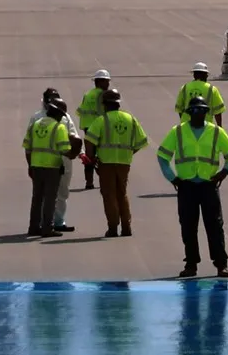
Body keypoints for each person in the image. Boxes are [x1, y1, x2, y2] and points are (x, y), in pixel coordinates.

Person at [157, 98, 228, 279]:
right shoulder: (177, 132)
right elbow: (162, 156)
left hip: (208, 185)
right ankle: (191, 264)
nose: (198, 114)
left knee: (215, 226)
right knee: (188, 226)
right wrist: (172, 178)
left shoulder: (216, 132)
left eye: (201, 111)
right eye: (194, 111)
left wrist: (224, 172)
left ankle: (221, 264)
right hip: (186, 186)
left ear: (206, 112)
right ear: (189, 113)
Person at [87, 86, 148, 237]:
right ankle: (126, 227)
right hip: (124, 163)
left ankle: (113, 227)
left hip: (106, 162)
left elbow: (89, 140)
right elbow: (141, 142)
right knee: (122, 193)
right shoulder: (130, 119)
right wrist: (128, 153)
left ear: (104, 104)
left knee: (109, 195)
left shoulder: (101, 120)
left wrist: (91, 159)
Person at [25, 88, 83, 233]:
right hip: (54, 165)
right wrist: (74, 152)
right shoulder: (53, 125)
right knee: (50, 197)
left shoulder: (40, 123)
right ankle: (47, 226)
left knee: (43, 196)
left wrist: (30, 165)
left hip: (38, 164)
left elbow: (27, 147)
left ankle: (43, 224)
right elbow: (65, 148)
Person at [79, 70, 112, 190]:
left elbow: (80, 111)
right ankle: (105, 179)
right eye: (106, 81)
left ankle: (89, 182)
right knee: (103, 153)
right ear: (99, 81)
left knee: (89, 155)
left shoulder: (87, 94)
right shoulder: (103, 95)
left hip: (87, 127)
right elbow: (105, 112)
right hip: (98, 127)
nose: (108, 84)